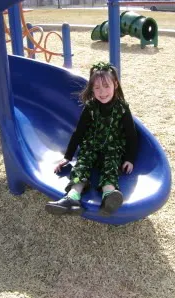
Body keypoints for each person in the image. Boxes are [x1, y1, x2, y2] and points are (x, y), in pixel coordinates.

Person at [45, 62, 138, 216]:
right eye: (97, 88)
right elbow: (79, 132)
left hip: (112, 148)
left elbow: (131, 135)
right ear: (92, 89)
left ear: (115, 84)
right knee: (82, 164)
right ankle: (72, 198)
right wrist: (68, 156)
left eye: (106, 86)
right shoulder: (90, 107)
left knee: (111, 165)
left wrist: (129, 158)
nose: (102, 92)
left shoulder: (122, 108)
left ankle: (109, 196)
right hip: (91, 146)